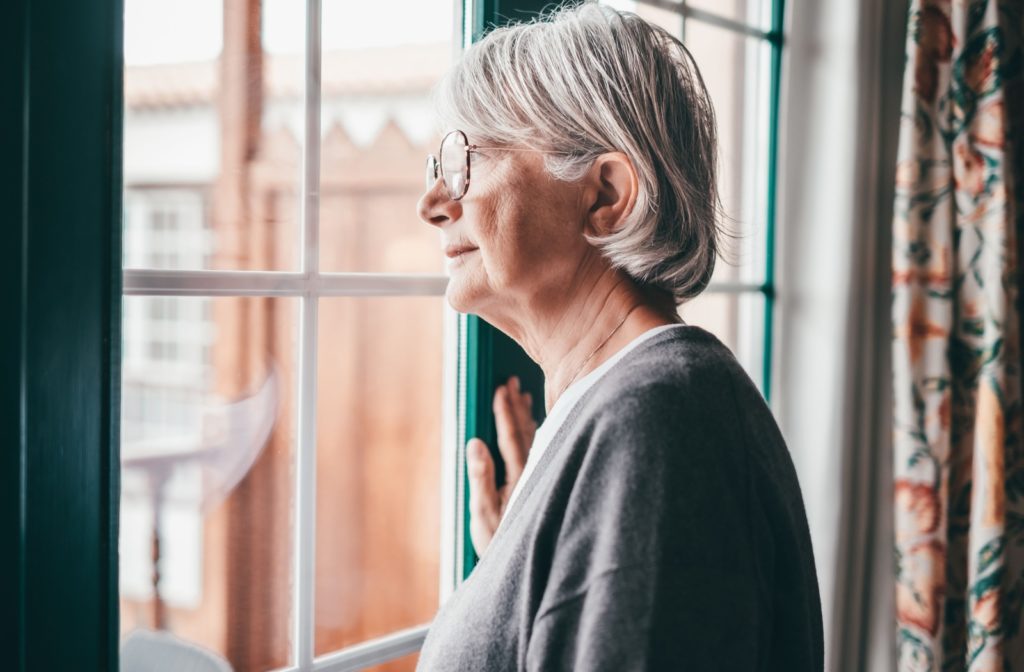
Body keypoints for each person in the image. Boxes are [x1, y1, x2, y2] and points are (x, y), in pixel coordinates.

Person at [414, 3, 823, 670]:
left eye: (466, 158)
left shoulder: (657, 427)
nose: (432, 203)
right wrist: (518, 575)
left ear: (606, 194)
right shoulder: (637, 412)